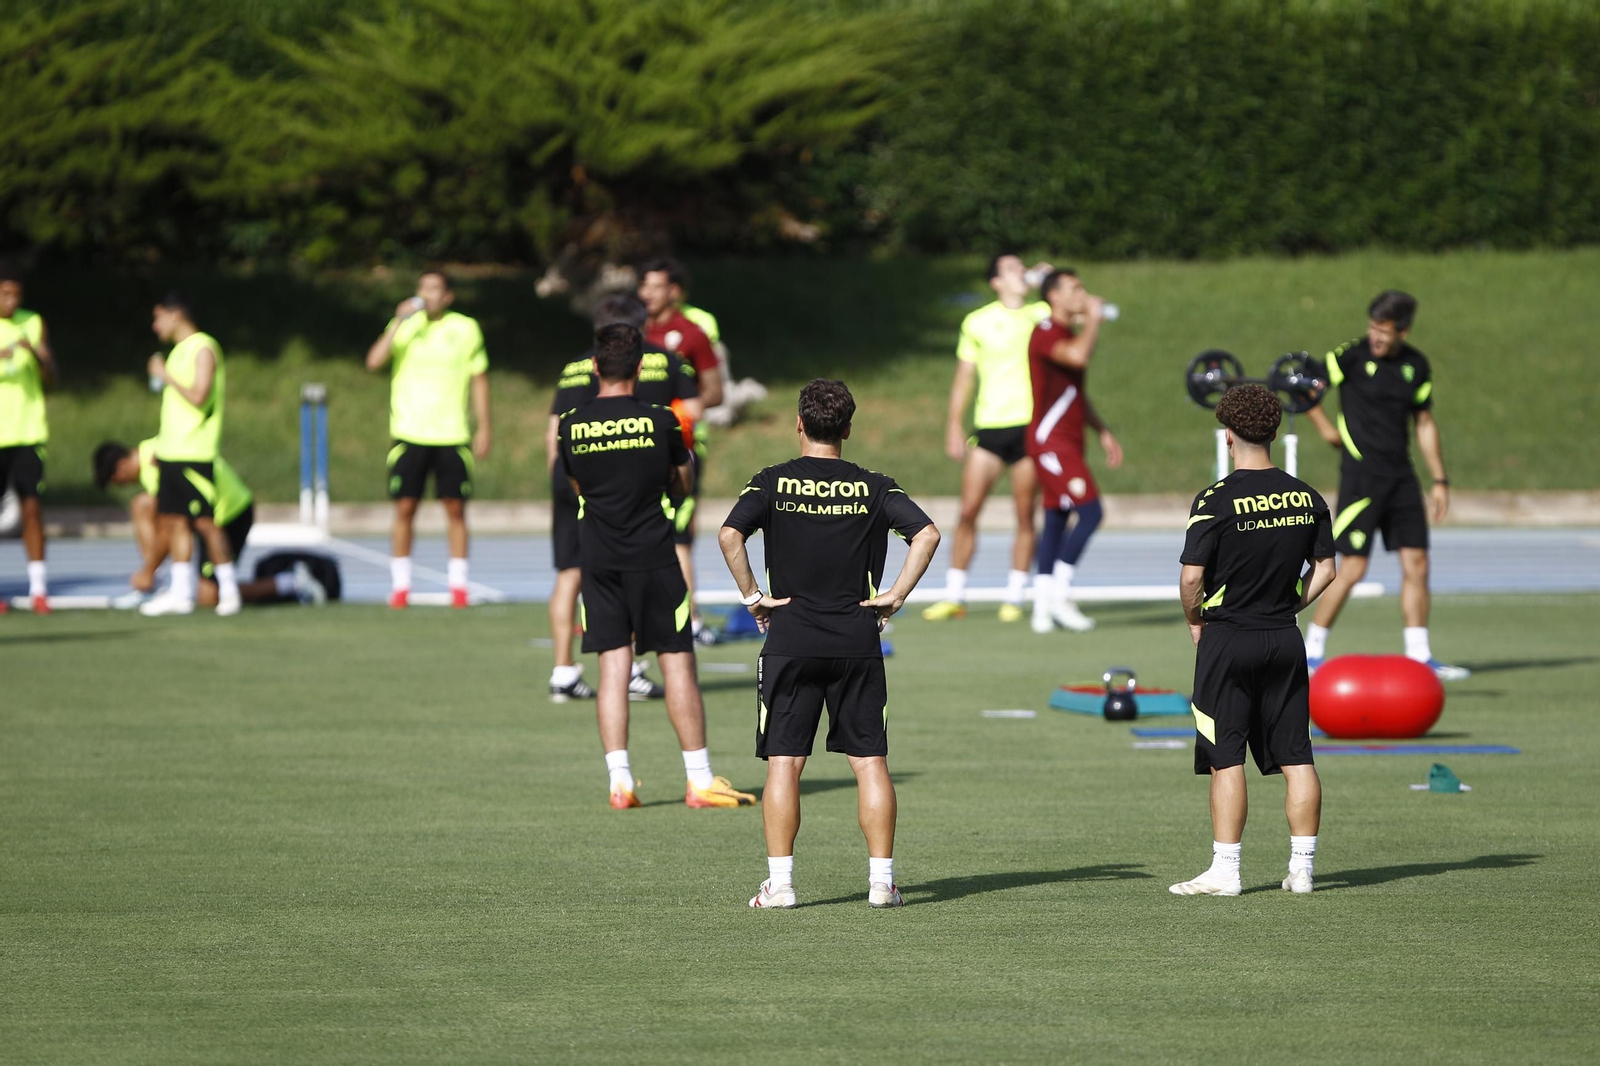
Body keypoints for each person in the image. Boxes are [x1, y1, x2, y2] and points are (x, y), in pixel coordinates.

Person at [720, 379, 942, 910]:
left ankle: (782, 885)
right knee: (869, 763)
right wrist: (895, 596)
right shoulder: (874, 486)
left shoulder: (771, 482)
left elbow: (730, 535)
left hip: (790, 638)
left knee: (784, 764)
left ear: (799, 423)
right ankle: (882, 884)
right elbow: (928, 533)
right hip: (856, 639)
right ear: (846, 428)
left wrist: (754, 597)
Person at [557, 323, 754, 811]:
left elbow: (576, 484)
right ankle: (699, 779)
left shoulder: (572, 423)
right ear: (641, 369)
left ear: (597, 367)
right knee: (677, 661)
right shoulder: (660, 420)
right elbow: (682, 483)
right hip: (653, 556)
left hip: (598, 559)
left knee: (612, 668)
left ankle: (620, 782)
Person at [1171, 385, 1337, 897]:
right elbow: (1328, 569)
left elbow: (1190, 579)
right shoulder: (1307, 496)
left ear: (1228, 434)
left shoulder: (1215, 499)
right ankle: (1303, 869)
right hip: (1283, 638)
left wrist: (1195, 620)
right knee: (1298, 755)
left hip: (1229, 638)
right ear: (1275, 431)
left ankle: (1226, 871)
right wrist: (1289, 606)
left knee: (1226, 756)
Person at [1301, 291, 1467, 679]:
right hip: (1361, 477)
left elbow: (1424, 424)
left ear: (1403, 331)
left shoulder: (1416, 365)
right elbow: (1307, 388)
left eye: (1385, 331)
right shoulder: (1351, 356)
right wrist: (1327, 431)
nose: (1376, 336)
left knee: (1417, 563)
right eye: (1372, 327)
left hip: (1402, 478)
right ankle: (1312, 651)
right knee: (1353, 568)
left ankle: (1419, 656)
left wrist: (1439, 479)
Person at [545, 293, 702, 702]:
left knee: (570, 573)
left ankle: (563, 669)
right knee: (636, 569)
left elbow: (553, 429)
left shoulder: (574, 367)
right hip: (640, 484)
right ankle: (629, 668)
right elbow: (691, 413)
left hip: (575, 475)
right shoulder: (661, 360)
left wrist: (563, 477)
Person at [923, 252, 1051, 623]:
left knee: (1025, 514)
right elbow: (965, 376)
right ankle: (955, 594)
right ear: (996, 281)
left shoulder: (1040, 315)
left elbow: (1077, 311)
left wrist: (1045, 281)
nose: (1020, 271)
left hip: (1030, 427)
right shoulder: (978, 321)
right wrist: (953, 424)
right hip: (990, 427)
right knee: (968, 511)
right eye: (1012, 268)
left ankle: (1014, 595)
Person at [365, 270, 491, 610]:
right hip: (410, 432)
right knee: (405, 507)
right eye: (423, 287)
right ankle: (401, 586)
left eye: (435, 289)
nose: (428, 294)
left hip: (451, 433)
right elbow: (374, 361)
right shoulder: (405, 326)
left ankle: (459, 586)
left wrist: (484, 427)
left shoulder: (465, 328)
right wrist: (397, 322)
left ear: (448, 296)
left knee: (455, 509)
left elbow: (479, 379)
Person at [93, 439, 327, 608]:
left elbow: (171, 527)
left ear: (120, 468)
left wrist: (148, 571)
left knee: (209, 598)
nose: (121, 485)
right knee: (144, 504)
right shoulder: (153, 451)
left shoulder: (155, 464)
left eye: (116, 482)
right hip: (209, 515)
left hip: (230, 514)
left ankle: (293, 582)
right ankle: (168, 584)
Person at [1026, 269, 1123, 634]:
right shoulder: (1046, 332)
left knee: (1055, 517)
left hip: (1067, 440)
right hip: (1051, 442)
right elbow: (1079, 357)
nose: (1082, 294)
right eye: (1074, 289)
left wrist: (1101, 430)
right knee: (1091, 511)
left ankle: (1041, 605)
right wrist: (1094, 321)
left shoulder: (1065, 333)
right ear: (1053, 296)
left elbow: (1074, 394)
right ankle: (1060, 595)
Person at [139, 292, 242, 617]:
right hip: (171, 451)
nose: (156, 326)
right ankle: (181, 594)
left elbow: (199, 395)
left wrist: (165, 376)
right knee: (173, 522)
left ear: (175, 315)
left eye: (159, 318)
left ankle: (230, 590)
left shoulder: (203, 347)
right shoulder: (176, 352)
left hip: (195, 451)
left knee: (205, 523)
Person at [638, 257, 720, 643]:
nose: (646, 293)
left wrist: (682, 415)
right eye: (644, 286)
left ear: (674, 291)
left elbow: (715, 392)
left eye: (654, 286)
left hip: (678, 450)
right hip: (631, 446)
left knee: (679, 536)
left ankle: (692, 618)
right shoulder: (633, 332)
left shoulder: (691, 334)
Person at [0, 269, 56, 615]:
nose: (12, 301)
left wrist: (34, 354)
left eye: (17, 295)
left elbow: (52, 376)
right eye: (6, 294)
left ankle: (39, 589)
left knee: (32, 508)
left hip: (28, 431)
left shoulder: (32, 322)